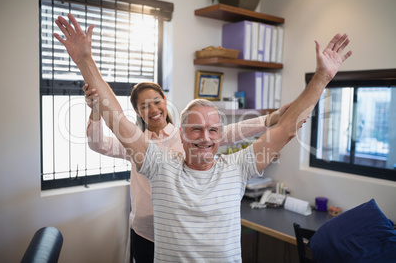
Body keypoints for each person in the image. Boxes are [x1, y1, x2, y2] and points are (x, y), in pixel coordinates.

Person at [54, 13, 352, 262]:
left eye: (212, 130)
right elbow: (115, 118)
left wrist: (321, 78)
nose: (205, 138)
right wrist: (85, 61)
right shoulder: (159, 164)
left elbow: (285, 130)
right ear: (182, 135)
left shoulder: (237, 167)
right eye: (195, 129)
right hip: (145, 232)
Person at [83, 80, 289, 263]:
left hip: (182, 232)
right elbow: (98, 144)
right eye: (144, 106)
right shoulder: (136, 144)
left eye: (156, 101)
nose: (153, 109)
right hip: (146, 232)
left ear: (165, 100)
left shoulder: (189, 135)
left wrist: (269, 120)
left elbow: (233, 131)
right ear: (138, 112)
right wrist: (96, 110)